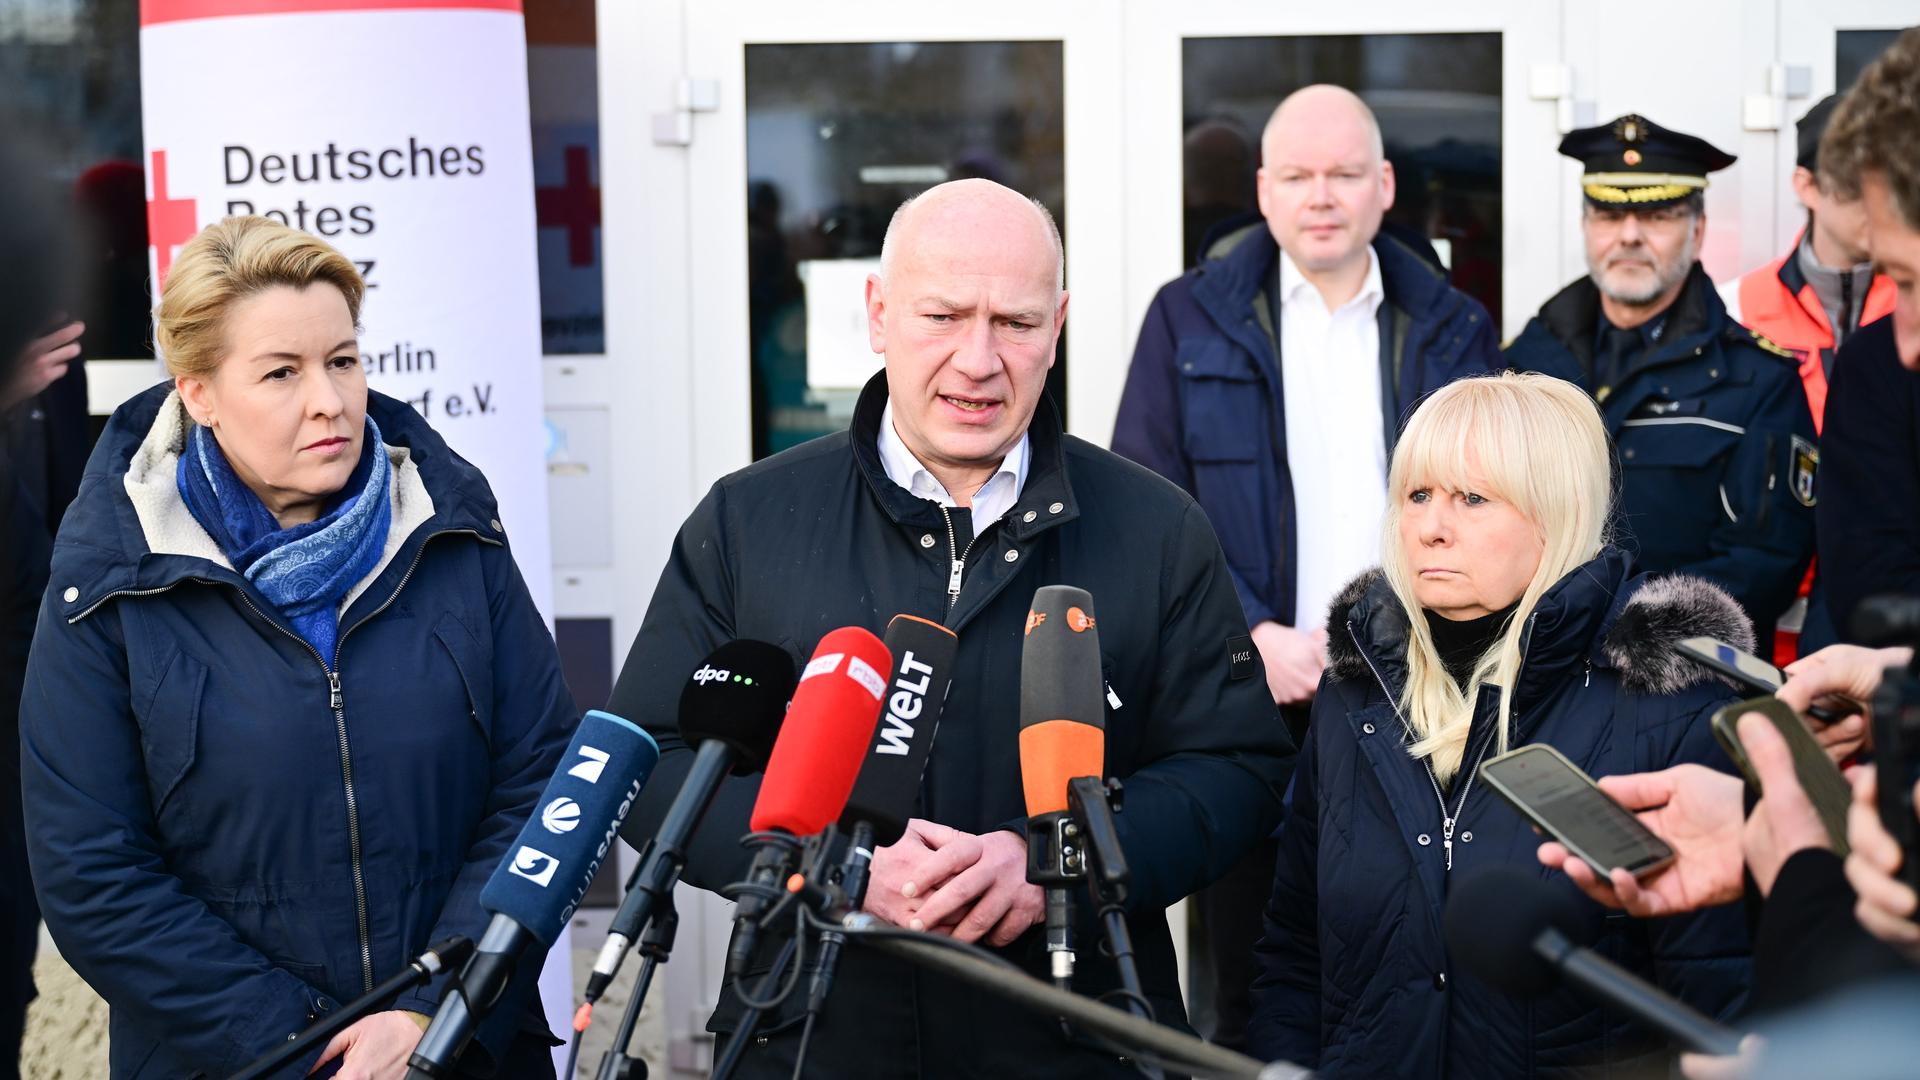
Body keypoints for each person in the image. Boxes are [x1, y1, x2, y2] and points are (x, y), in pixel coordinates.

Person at [608, 178, 1291, 1078]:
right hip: (808, 1037)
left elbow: (1236, 770)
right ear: (878, 313)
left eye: (1013, 322)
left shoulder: (1158, 529)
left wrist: (1052, 862)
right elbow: (650, 759)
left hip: (1075, 1039)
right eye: (943, 316)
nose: (978, 359)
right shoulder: (747, 520)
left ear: (1058, 326)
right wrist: (832, 866)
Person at [18, 216, 573, 1080]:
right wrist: (315, 1049)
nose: (330, 400)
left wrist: (435, 1014)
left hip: (464, 1051)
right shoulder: (110, 579)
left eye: (343, 360)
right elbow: (94, 876)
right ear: (197, 393)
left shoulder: (452, 530)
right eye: (282, 372)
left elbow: (541, 785)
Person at [1111, 86, 1499, 1044]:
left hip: (1418, 691)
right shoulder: (1185, 319)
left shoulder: (1453, 324)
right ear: (1263, 191)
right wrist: (1250, 633)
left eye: (1342, 175)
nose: (1320, 195)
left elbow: (1497, 501)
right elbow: (1148, 509)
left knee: (1407, 962)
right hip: (1248, 698)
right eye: (1296, 176)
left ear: (1384, 188)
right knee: (1251, 976)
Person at [1247, 371, 1753, 1077]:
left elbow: (1718, 997)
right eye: (1417, 495)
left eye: (1472, 498)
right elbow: (1295, 953)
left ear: (1557, 511)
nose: (1431, 526)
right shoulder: (1356, 691)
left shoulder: (1667, 707)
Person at [1505, 115, 1817, 643]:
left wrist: (1621, 630)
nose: (1629, 236)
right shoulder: (1522, 366)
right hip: (1530, 673)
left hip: (1680, 687)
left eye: (1656, 215)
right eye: (1607, 214)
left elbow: (1764, 566)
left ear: (1697, 230)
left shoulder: (1758, 380)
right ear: (1585, 225)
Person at [1719, 93, 1895, 659]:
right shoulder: (1734, 308)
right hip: (1761, 618)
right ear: (1806, 184)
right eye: (1854, 179)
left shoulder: (1913, 303)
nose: (1877, 199)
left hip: (1888, 614)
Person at [1809, 27, 1920, 640]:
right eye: (1895, 281)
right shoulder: (1876, 368)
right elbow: (1872, 592)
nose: (1909, 345)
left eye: (1909, 279)